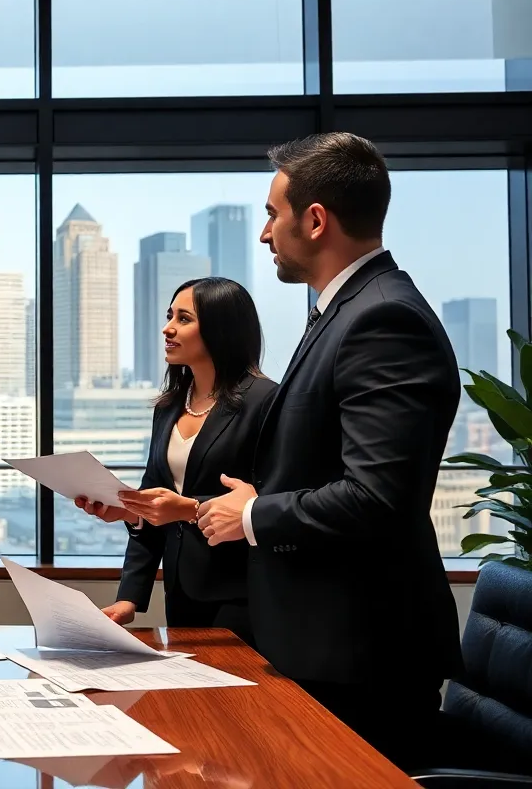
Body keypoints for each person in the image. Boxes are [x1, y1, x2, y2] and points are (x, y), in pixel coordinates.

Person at [197, 132, 463, 769]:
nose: (265, 234)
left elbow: (377, 497)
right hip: (326, 649)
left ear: (315, 220)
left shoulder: (381, 319)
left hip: (363, 661)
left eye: (272, 214)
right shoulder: (342, 310)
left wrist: (257, 515)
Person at [76, 278, 275, 646]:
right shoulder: (169, 406)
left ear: (220, 327)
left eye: (184, 318)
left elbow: (273, 502)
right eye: (170, 316)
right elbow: (155, 503)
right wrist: (129, 596)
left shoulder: (265, 400)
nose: (168, 328)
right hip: (181, 592)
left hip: (243, 592)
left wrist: (186, 508)